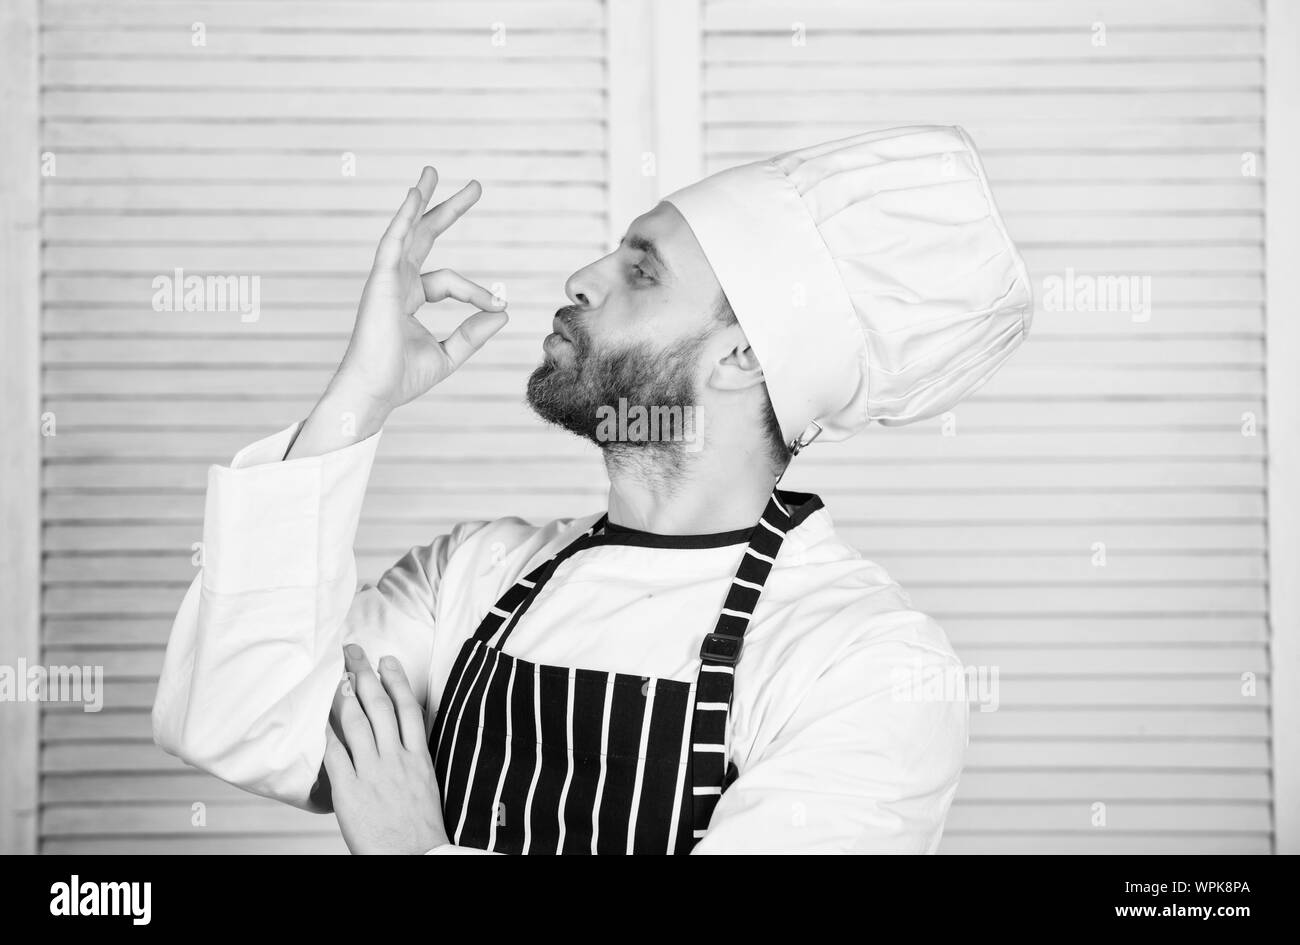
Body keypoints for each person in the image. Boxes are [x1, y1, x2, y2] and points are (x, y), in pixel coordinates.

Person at [152, 125, 1032, 854]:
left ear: (745, 357)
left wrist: (421, 855)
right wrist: (360, 395)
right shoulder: (474, 575)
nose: (583, 277)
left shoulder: (864, 661)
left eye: (641, 269)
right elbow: (244, 718)